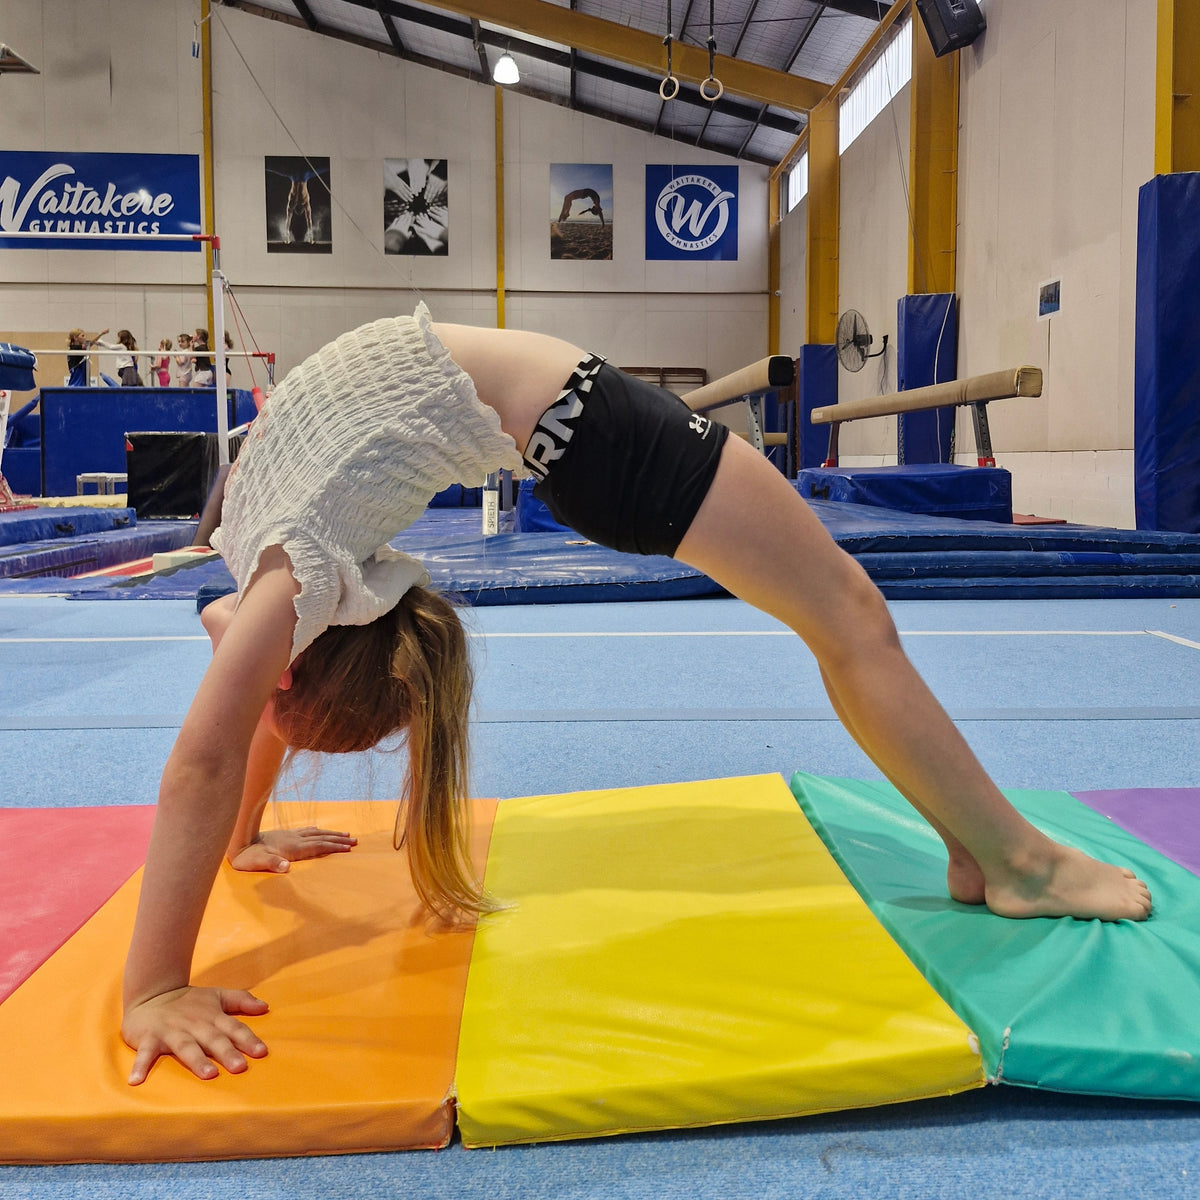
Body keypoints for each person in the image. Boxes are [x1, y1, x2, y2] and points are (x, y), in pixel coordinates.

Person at [120, 304, 1152, 1086]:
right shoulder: (267, 576)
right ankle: (1016, 862)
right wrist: (198, 911)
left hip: (589, 433)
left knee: (848, 619)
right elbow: (239, 722)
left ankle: (989, 847)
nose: (265, 707)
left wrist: (206, 893)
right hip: (588, 430)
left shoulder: (278, 586)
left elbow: (220, 739)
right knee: (850, 617)